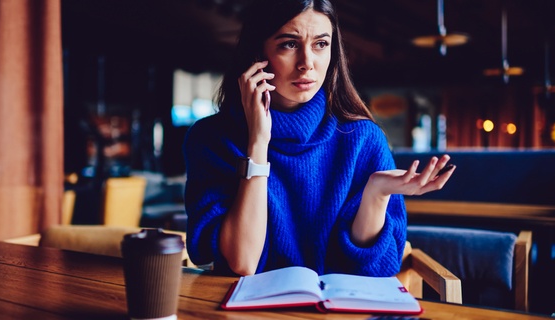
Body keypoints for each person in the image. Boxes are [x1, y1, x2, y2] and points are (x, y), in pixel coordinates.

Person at [183, 0, 455, 277]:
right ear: (257, 53)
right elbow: (241, 263)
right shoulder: (210, 138)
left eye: (321, 44)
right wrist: (257, 143)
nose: (307, 64)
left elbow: (377, 269)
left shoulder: (362, 139)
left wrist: (376, 193)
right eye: (289, 44)